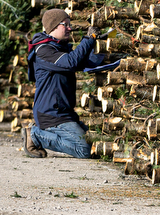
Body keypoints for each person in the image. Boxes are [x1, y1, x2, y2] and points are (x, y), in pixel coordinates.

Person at [22, 8, 118, 158]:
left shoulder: (59, 47)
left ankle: (43, 134)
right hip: (51, 115)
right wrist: (89, 38)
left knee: (96, 145)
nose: (70, 28)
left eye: (69, 24)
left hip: (64, 113)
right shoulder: (44, 51)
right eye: (65, 24)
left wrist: (100, 44)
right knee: (85, 150)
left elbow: (83, 62)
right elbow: (71, 62)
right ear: (53, 26)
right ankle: (35, 135)